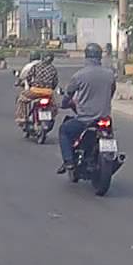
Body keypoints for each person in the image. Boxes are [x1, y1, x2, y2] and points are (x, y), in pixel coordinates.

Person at [57, 43, 116, 174]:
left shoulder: (79, 76)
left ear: (86, 56)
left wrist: (64, 103)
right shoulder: (109, 74)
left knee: (64, 131)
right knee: (110, 135)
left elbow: (68, 94)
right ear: (100, 57)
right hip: (105, 119)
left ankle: (68, 161)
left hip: (85, 120)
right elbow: (112, 91)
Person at [16, 51, 59, 124]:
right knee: (54, 107)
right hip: (48, 93)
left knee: (21, 99)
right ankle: (51, 117)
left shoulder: (36, 66)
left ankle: (22, 117)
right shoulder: (53, 69)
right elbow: (55, 82)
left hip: (35, 92)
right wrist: (50, 89)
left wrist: (31, 85)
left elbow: (28, 77)